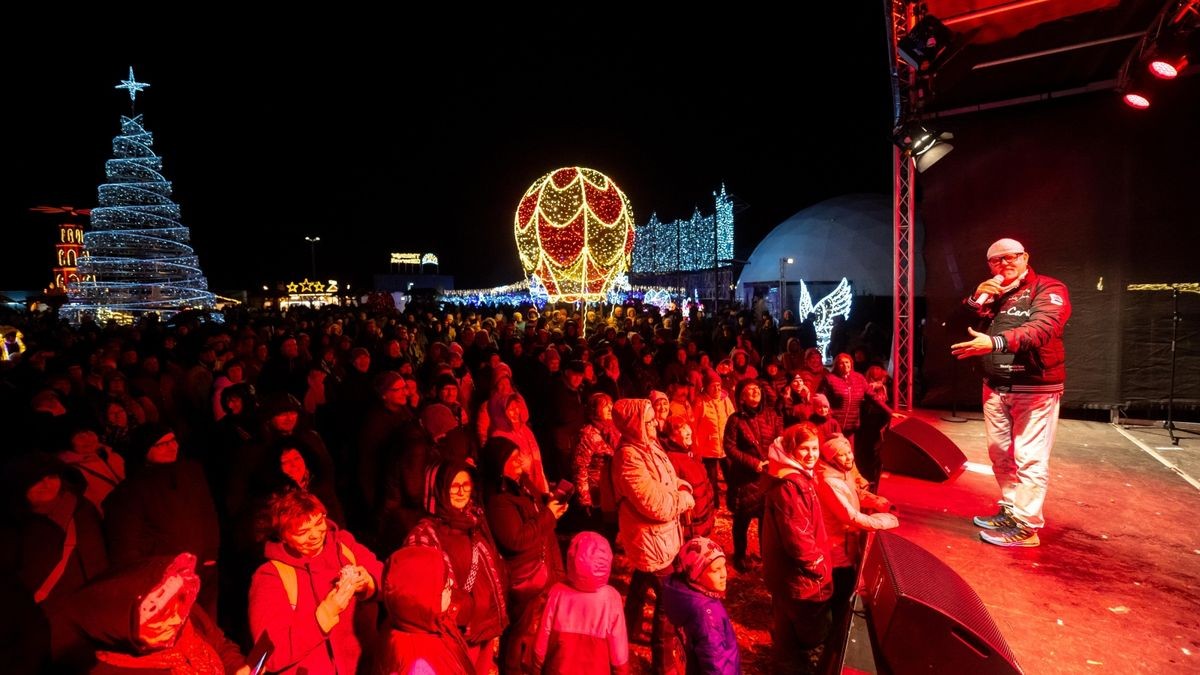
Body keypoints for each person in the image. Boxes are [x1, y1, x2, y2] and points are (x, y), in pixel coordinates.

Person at [952, 238, 1070, 548]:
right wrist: (976, 300)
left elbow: (1044, 328)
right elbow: (958, 327)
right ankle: (1011, 510)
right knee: (1001, 454)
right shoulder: (992, 294)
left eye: (1011, 257)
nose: (1004, 263)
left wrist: (996, 343)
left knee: (1029, 458)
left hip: (1034, 386)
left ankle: (1027, 525)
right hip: (995, 386)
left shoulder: (1048, 288)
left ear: (1025, 257)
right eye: (996, 260)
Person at [248, 490, 383, 674]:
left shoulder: (343, 545)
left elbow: (388, 581)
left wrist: (368, 584)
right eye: (302, 532)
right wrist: (323, 617)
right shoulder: (271, 576)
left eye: (319, 522)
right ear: (282, 536)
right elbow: (267, 654)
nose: (315, 535)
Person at [611, 398, 694, 671]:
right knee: (667, 604)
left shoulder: (648, 445)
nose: (654, 424)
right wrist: (683, 500)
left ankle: (627, 628)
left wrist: (680, 485)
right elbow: (654, 503)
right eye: (647, 421)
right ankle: (662, 662)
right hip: (651, 536)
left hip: (659, 535)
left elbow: (664, 479)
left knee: (642, 578)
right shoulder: (628, 456)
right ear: (633, 425)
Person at [404, 461, 508, 673]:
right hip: (450, 636)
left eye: (466, 485)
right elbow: (419, 593)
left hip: (483, 631)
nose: (461, 492)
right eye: (453, 486)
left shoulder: (475, 522)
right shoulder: (424, 535)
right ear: (439, 489)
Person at [760, 422, 832, 673]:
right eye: (804, 448)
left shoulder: (794, 476)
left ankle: (784, 664)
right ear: (791, 449)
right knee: (805, 631)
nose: (811, 454)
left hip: (788, 574)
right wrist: (818, 566)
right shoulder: (791, 485)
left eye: (815, 448)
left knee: (786, 628)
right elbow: (797, 537)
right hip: (799, 577)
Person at [533, 531, 630, 674]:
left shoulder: (557, 592)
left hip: (559, 669)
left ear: (571, 559)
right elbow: (619, 649)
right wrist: (621, 670)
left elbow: (543, 635)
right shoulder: (611, 599)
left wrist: (536, 665)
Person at [374, 545, 474, 675]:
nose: (449, 582)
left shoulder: (426, 623)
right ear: (421, 598)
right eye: (441, 584)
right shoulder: (417, 664)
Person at [660, 537, 741, 675]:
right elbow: (715, 662)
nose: (724, 575)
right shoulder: (707, 616)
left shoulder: (683, 594)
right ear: (696, 574)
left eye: (724, 566)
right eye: (715, 570)